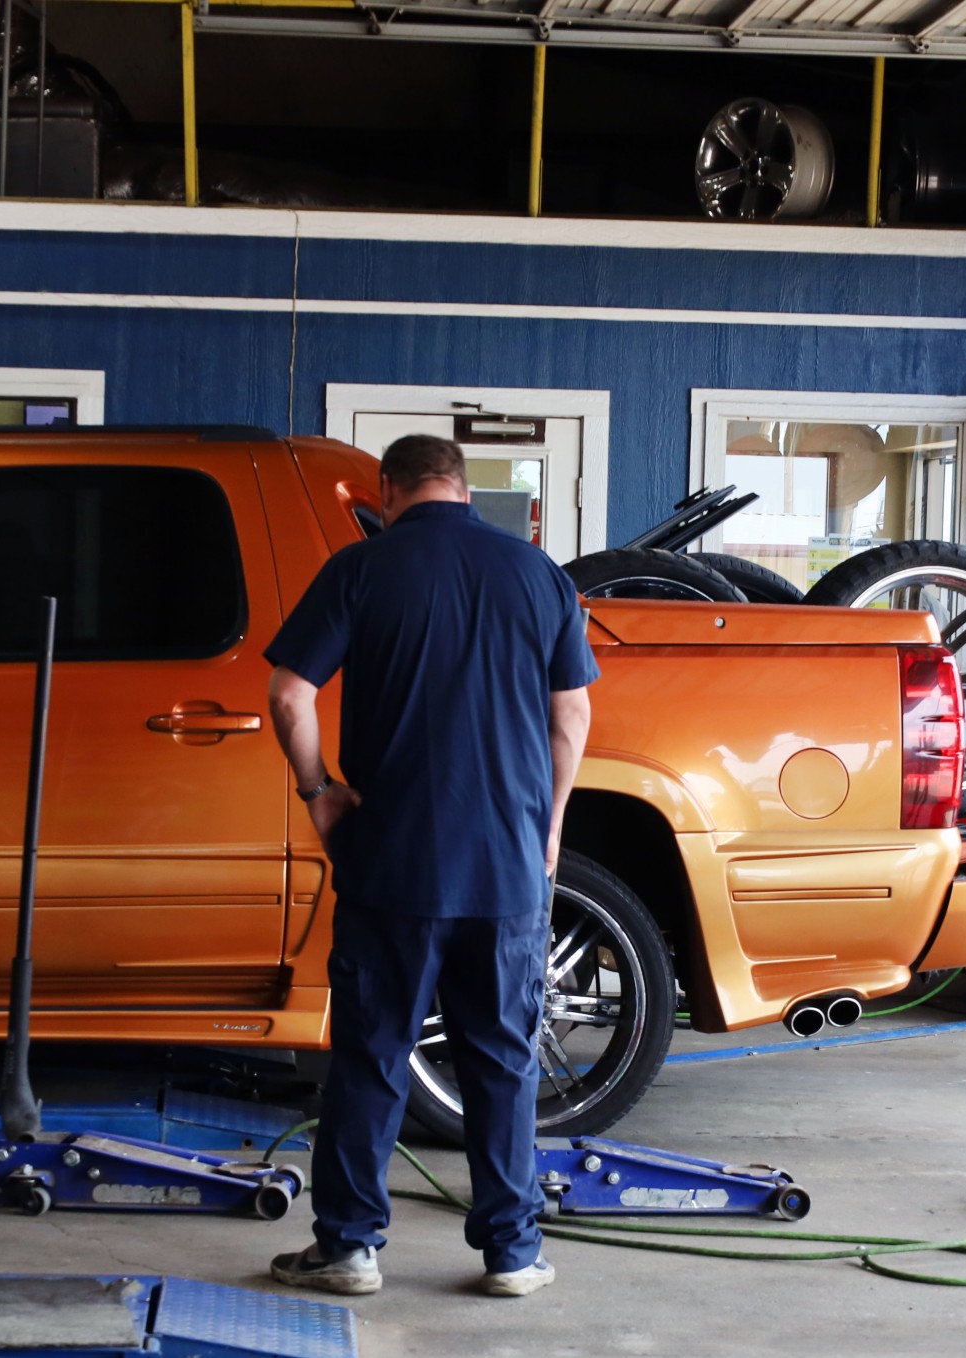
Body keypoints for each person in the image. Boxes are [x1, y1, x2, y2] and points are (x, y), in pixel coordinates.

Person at [261, 434, 598, 1299]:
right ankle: (513, 1255)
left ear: (388, 487)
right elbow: (571, 716)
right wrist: (550, 824)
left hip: (393, 862)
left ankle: (347, 1250)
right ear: (460, 485)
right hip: (507, 867)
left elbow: (289, 694)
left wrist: (317, 792)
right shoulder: (536, 573)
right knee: (502, 1059)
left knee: (373, 1053)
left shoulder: (361, 570)